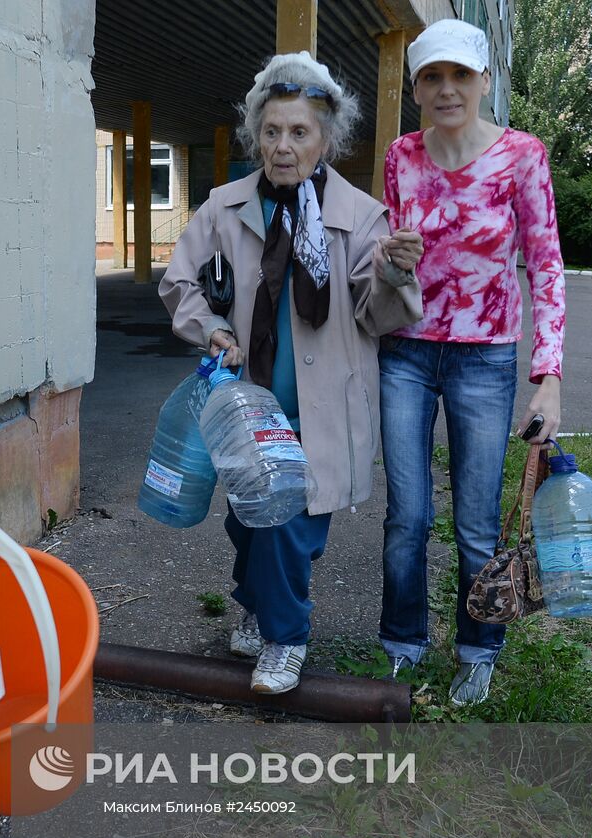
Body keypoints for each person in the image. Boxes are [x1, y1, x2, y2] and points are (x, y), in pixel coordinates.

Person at [160, 53, 424, 696]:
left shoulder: (362, 217)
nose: (283, 147)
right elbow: (178, 283)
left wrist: (393, 273)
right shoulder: (225, 207)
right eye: (272, 132)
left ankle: (286, 637)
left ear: (326, 139)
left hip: (322, 409)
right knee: (247, 523)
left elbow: (378, 315)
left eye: (300, 133)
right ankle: (255, 601)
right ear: (257, 135)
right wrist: (211, 328)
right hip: (248, 406)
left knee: (287, 526)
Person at [377, 19, 566, 706]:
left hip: (486, 358)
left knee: (476, 522)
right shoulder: (402, 154)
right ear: (417, 88)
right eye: (433, 76)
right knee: (406, 512)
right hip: (406, 350)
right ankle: (401, 641)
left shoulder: (522, 155)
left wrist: (548, 377)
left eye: (461, 74)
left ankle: (478, 646)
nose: (447, 88)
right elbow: (397, 253)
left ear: (486, 80)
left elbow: (545, 267)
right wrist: (391, 256)